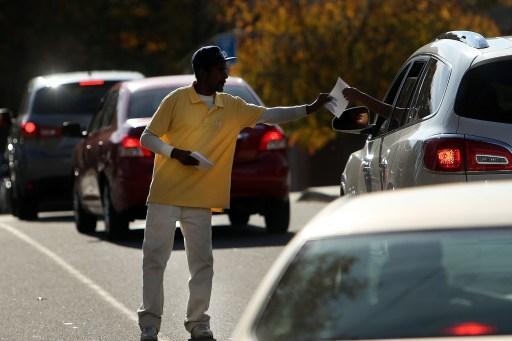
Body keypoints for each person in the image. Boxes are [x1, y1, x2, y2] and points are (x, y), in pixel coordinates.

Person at [137, 45, 332, 341]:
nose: (225, 75)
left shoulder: (232, 106)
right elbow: (147, 138)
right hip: (165, 195)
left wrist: (308, 108)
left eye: (225, 70)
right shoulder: (176, 100)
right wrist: (175, 153)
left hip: (200, 200)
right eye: (220, 70)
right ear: (202, 73)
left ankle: (198, 323)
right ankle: (149, 326)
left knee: (202, 265)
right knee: (154, 260)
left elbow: (270, 115)